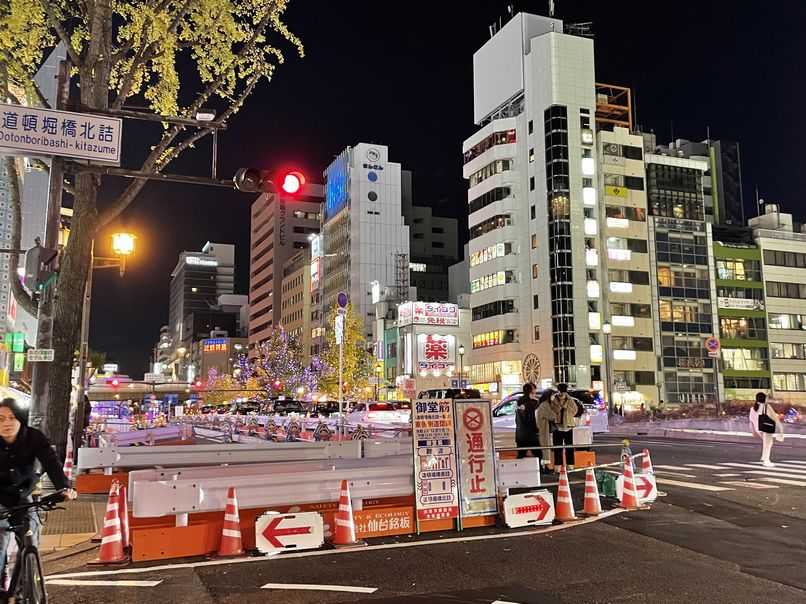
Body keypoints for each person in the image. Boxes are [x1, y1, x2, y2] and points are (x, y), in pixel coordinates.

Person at [0, 398, 77, 576]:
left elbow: (51, 463)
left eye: (12, 418)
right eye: (1, 419)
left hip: (23, 496)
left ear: (21, 418)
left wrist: (64, 488)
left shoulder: (34, 437)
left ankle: (26, 587)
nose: (7, 423)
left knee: (30, 541)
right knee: (1, 541)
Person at [749, 392, 783, 467]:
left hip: (758, 429)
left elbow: (751, 420)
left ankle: (765, 459)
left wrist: (753, 431)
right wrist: (780, 425)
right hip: (766, 428)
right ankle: (766, 461)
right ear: (764, 399)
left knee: (767, 444)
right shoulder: (767, 407)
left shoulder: (753, 408)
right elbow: (774, 417)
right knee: (768, 444)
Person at [551, 383, 578, 470]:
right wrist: (562, 407)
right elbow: (553, 410)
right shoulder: (555, 399)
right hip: (560, 426)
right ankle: (564, 466)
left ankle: (566, 465)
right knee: (560, 448)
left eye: (563, 391)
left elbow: (574, 410)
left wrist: (565, 408)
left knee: (565, 447)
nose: (562, 393)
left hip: (566, 426)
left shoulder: (569, 400)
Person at [515, 383, 540, 460]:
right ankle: (541, 470)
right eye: (534, 392)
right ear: (529, 392)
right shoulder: (533, 403)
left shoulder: (519, 401)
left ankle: (519, 471)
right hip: (531, 434)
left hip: (520, 434)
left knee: (521, 455)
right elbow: (531, 419)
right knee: (538, 454)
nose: (535, 394)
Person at [536, 388, 557, 473]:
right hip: (543, 429)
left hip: (544, 429)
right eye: (553, 395)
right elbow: (552, 416)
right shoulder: (544, 405)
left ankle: (545, 467)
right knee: (545, 449)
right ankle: (545, 468)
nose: (553, 397)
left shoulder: (544, 404)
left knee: (546, 448)